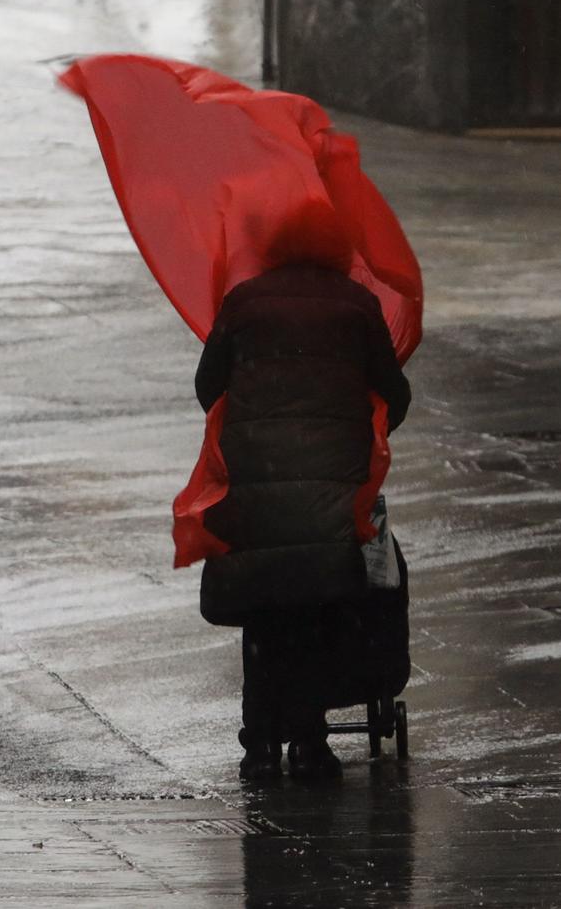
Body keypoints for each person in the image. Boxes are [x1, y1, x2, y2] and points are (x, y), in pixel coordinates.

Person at [193, 257, 412, 781]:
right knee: (316, 600)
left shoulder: (243, 301)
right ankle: (311, 742)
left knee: (265, 607)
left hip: (258, 481)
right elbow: (396, 395)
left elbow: (207, 386)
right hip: (329, 485)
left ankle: (261, 745)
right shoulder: (357, 304)